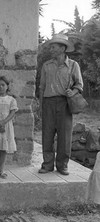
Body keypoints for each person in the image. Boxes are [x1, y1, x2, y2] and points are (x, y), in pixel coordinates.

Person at [39, 34, 83, 175]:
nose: (51, 49)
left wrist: (73, 91)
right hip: (48, 103)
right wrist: (41, 105)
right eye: (51, 47)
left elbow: (79, 85)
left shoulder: (73, 65)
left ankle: (62, 165)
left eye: (53, 47)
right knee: (47, 134)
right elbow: (42, 87)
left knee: (65, 136)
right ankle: (47, 165)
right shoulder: (46, 66)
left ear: (62, 48)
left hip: (65, 103)